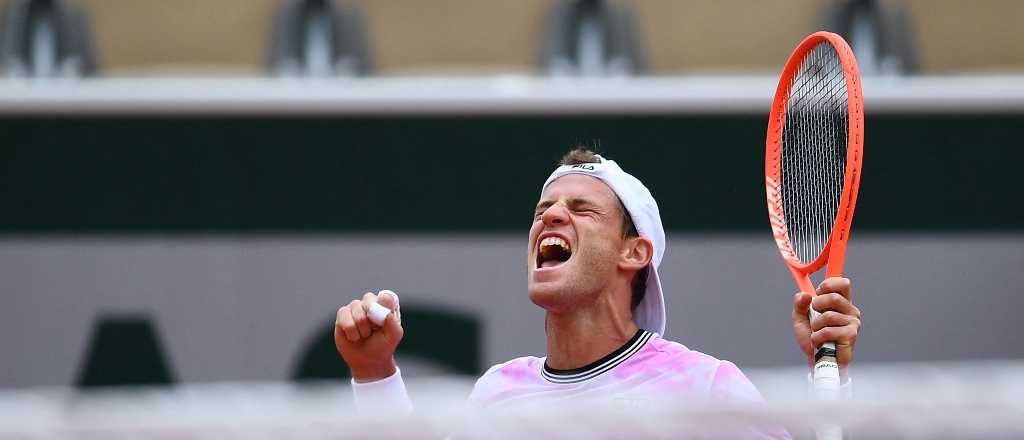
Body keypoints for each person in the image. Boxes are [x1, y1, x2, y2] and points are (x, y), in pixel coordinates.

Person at [333, 148, 862, 435]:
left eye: (581, 209)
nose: (551, 217)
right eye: (543, 210)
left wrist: (832, 380)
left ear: (634, 253)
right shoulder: (496, 393)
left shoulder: (705, 387)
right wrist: (374, 372)